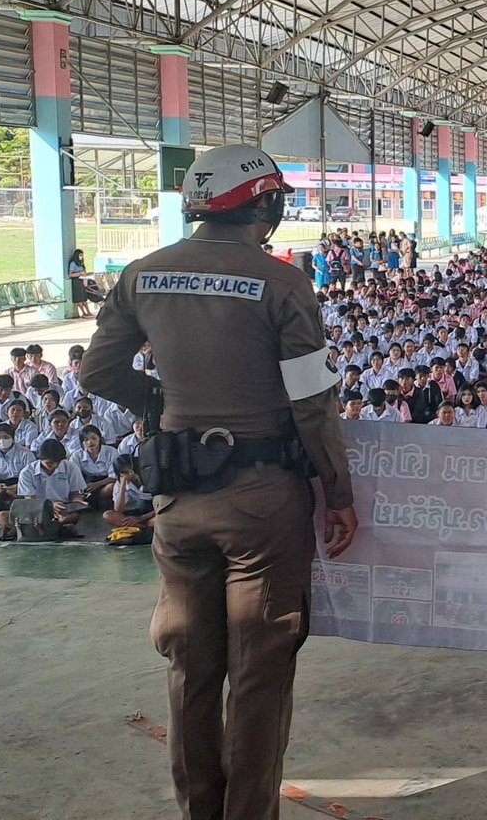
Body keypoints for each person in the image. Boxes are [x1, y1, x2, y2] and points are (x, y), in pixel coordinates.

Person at [80, 143, 358, 820]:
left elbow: (98, 373)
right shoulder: (282, 283)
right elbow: (312, 404)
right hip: (262, 501)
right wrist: (339, 494)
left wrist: (161, 402)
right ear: (265, 204)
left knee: (191, 671)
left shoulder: (142, 274)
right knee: (259, 675)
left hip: (177, 500)